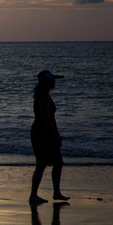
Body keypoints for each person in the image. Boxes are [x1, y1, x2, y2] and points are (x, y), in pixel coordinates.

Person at [30, 70, 70, 203]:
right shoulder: (43, 97)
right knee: (47, 163)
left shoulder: (43, 95)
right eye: (52, 79)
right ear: (46, 82)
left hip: (41, 131)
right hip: (43, 133)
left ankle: (55, 192)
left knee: (52, 163)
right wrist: (55, 135)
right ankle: (35, 195)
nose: (54, 82)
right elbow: (46, 119)